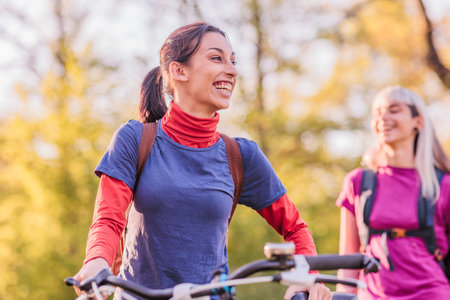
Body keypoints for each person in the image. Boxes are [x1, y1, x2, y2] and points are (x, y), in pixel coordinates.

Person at [73, 22, 331, 300]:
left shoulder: (241, 156)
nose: (232, 70)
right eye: (216, 58)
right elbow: (108, 220)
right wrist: (96, 261)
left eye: (233, 61)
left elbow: (295, 228)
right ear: (178, 70)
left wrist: (306, 279)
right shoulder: (134, 139)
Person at [336, 85, 450, 299]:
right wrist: (344, 296)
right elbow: (348, 257)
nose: (383, 117)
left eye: (394, 110)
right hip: (372, 295)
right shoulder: (358, 182)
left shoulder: (442, 185)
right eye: (377, 113)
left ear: (418, 122)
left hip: (432, 294)